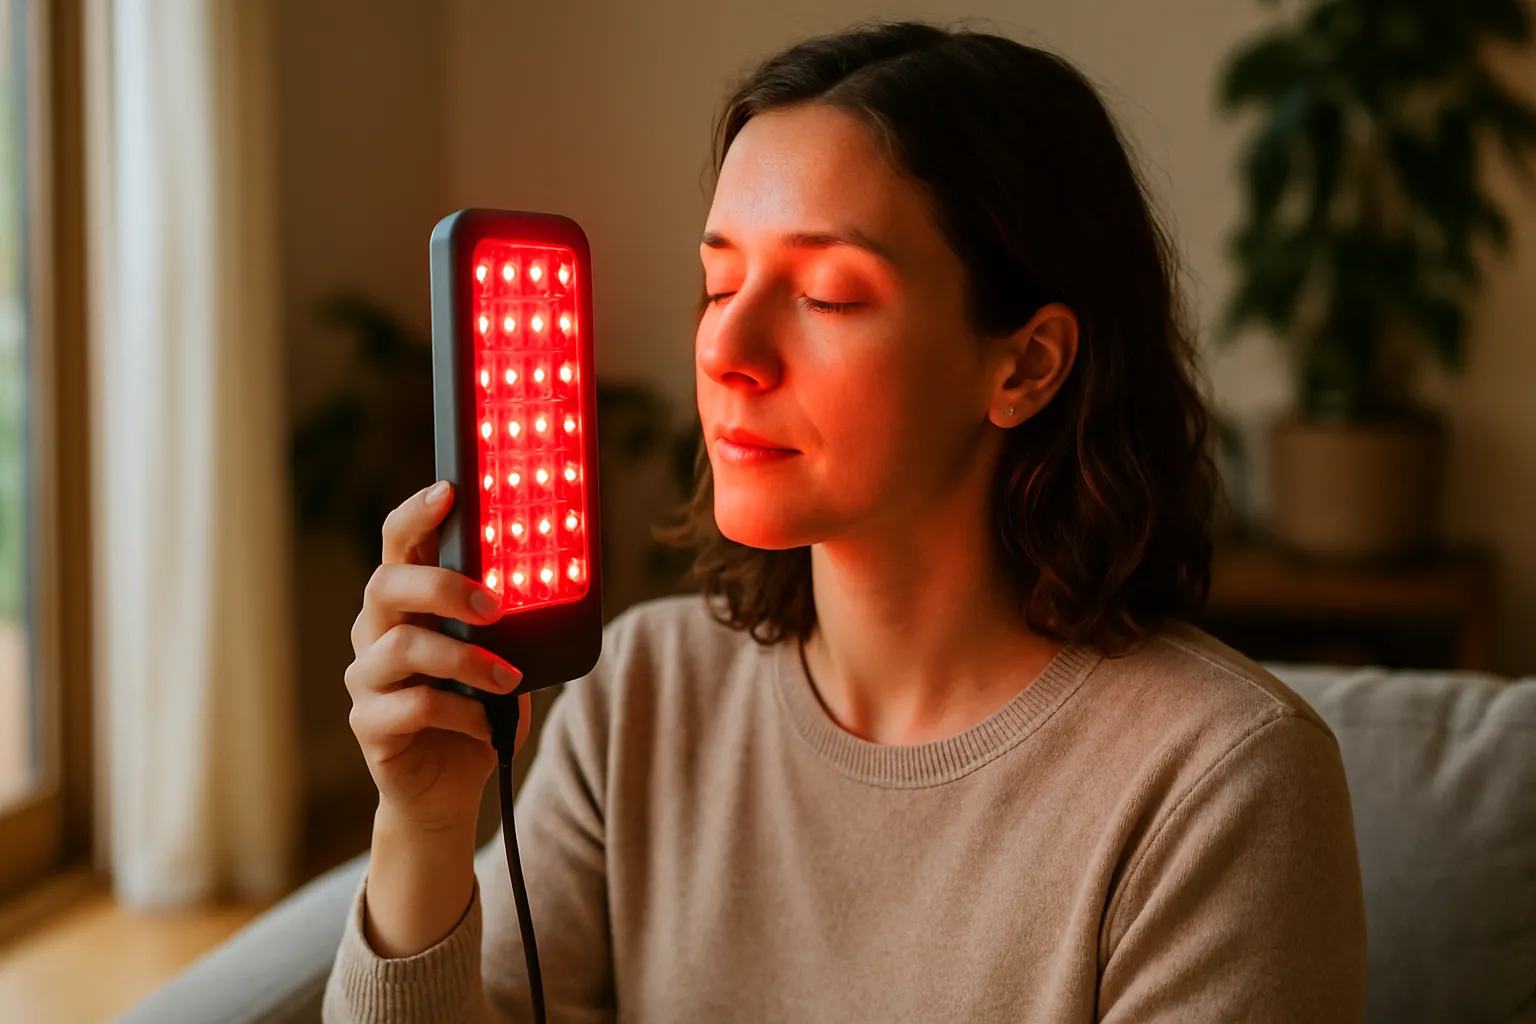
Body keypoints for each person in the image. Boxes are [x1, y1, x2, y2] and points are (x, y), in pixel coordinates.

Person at [324, 20, 1367, 1023]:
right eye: (719, 279)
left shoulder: (1221, 783)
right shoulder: (639, 697)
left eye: (826, 293)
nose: (728, 348)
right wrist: (421, 827)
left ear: (1027, 364)